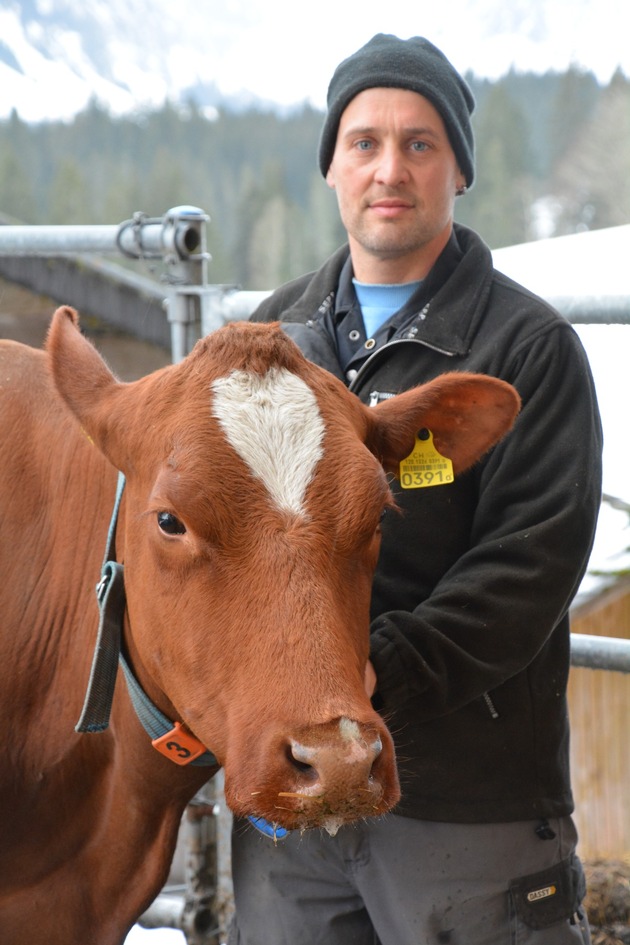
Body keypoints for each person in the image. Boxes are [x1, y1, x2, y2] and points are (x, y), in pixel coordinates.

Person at [228, 33, 602, 945]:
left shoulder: (527, 349)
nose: (389, 168)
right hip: (293, 811)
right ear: (331, 166)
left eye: (420, 143)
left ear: (458, 172)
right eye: (364, 142)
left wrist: (371, 674)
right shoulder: (269, 339)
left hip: (462, 808)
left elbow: (528, 569)